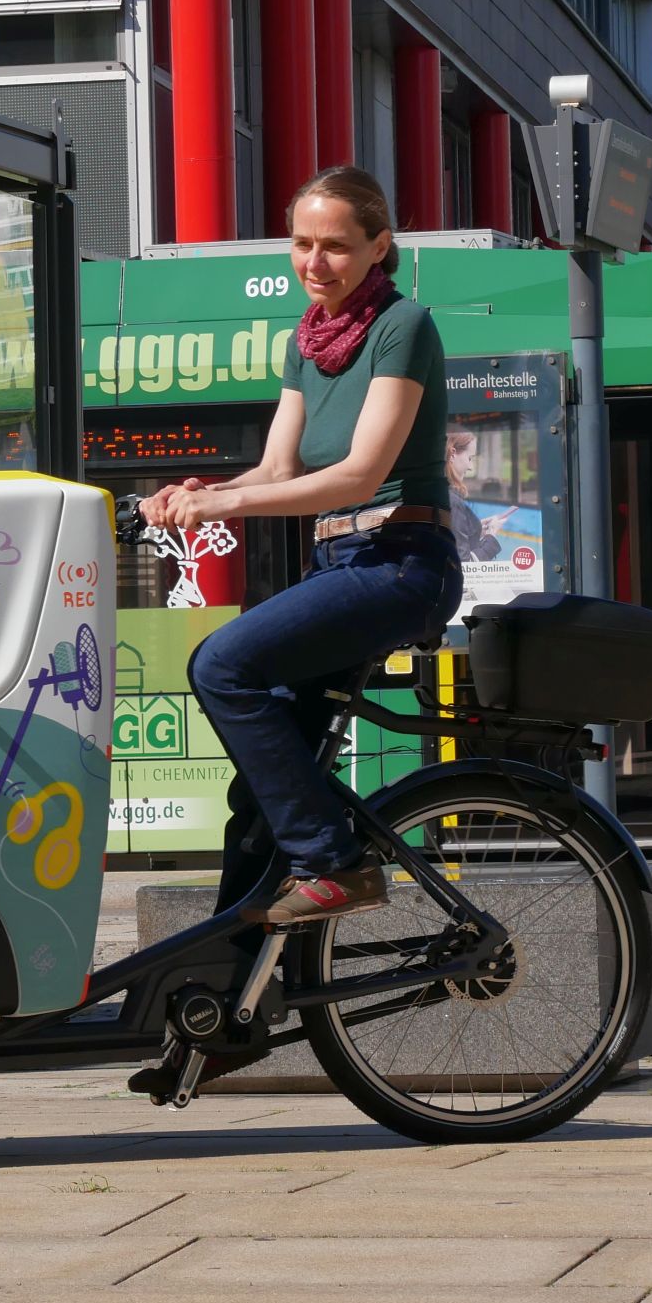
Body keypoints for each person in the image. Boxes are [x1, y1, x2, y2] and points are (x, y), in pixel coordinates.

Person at [140, 165, 460, 932]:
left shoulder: (402, 325)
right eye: (302, 243)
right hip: (340, 563)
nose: (315, 263)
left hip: (401, 560)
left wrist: (228, 500)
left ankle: (334, 860)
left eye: (337, 247)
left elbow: (360, 473)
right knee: (255, 799)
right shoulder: (305, 341)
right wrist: (186, 498)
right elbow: (279, 469)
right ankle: (223, 995)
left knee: (221, 664)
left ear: (380, 247)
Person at [447, 428, 516, 562]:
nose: (470, 467)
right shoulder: (452, 501)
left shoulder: (438, 493)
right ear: (452, 454)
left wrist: (475, 529)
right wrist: (491, 537)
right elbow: (464, 565)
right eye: (470, 458)